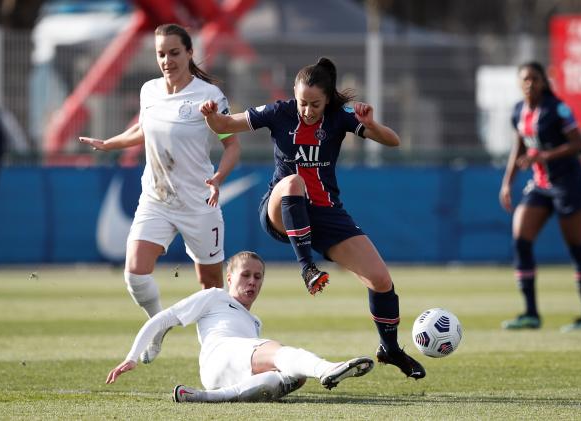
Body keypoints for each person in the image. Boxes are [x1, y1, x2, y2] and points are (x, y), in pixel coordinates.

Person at [199, 57, 425, 379]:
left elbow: (393, 141)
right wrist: (211, 116)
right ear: (294, 92)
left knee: (381, 280)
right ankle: (307, 267)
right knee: (293, 182)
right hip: (281, 208)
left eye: (315, 104)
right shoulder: (280, 112)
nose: (307, 110)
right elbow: (224, 126)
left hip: (327, 214)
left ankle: (390, 348)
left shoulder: (339, 117)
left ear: (328, 99)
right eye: (303, 102)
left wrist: (371, 124)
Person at [79, 23, 240, 361]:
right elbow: (143, 128)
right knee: (135, 273)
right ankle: (157, 326)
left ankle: (218, 351)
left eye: (174, 52)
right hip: (156, 199)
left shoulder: (209, 95)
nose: (167, 60)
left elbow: (232, 147)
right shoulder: (149, 90)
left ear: (190, 53)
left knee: (210, 287)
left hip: (199, 202)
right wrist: (109, 143)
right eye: (161, 54)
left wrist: (219, 178)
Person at [106, 251, 374, 402]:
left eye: (258, 277)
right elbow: (162, 318)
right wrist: (131, 357)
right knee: (278, 352)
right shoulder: (214, 296)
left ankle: (205, 397)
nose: (252, 282)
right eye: (245, 275)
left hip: (217, 376)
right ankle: (327, 369)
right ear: (229, 277)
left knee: (290, 377)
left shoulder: (253, 322)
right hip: (221, 353)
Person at [499, 61, 581, 332]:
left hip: (568, 183)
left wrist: (544, 156)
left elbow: (579, 144)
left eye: (534, 78)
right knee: (520, 239)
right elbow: (518, 148)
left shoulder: (558, 109)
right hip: (541, 185)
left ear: (543, 82)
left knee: (576, 247)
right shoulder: (519, 111)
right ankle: (531, 313)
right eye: (525, 79)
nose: (529, 83)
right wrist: (507, 183)